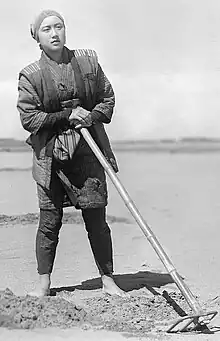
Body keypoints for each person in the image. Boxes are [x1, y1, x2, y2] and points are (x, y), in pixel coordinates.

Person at [17, 9, 127, 297]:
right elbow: (29, 119)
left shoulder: (88, 61)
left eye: (59, 27)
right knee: (50, 221)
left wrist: (89, 117)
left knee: (96, 220)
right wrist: (67, 115)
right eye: (46, 30)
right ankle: (44, 284)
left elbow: (108, 99)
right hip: (50, 156)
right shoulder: (31, 75)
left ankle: (107, 280)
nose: (54, 34)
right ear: (37, 38)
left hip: (88, 150)